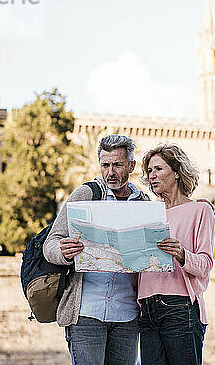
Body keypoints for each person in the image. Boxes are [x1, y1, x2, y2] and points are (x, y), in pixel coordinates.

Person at [43, 135, 149, 365]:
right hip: (85, 312)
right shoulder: (86, 195)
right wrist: (63, 252)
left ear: (131, 165)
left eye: (117, 165)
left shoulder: (145, 204)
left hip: (127, 315)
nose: (110, 172)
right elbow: (50, 243)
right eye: (105, 165)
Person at [138, 144, 215, 365]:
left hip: (180, 308)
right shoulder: (148, 214)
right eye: (149, 171)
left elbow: (205, 264)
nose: (152, 176)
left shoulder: (201, 210)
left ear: (177, 172)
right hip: (146, 309)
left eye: (158, 169)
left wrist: (182, 254)